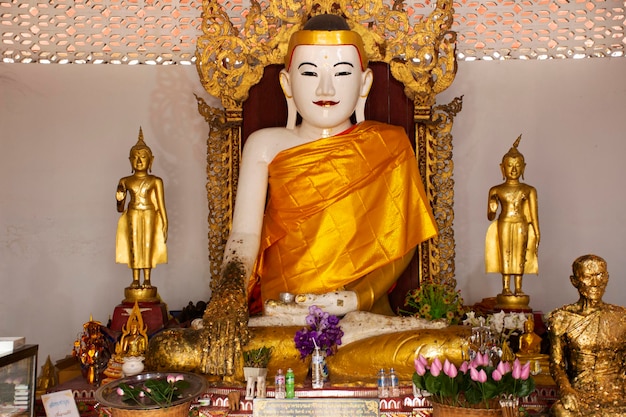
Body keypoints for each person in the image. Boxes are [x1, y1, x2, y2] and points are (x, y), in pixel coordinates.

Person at [147, 14, 441, 377]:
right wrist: (228, 297)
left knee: (441, 350)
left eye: (343, 73)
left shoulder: (390, 145)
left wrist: (353, 298)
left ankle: (340, 356)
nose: (326, 90)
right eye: (309, 73)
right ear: (286, 84)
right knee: (171, 351)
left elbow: (402, 242)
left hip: (362, 324)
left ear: (365, 84)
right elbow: (244, 236)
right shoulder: (265, 145)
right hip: (282, 318)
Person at [547, 255, 626, 417]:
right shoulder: (561, 318)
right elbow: (557, 365)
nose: (595, 283)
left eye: (600, 275)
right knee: (562, 412)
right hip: (580, 392)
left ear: (607, 278)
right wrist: (566, 390)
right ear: (574, 281)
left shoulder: (622, 316)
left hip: (618, 392)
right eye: (588, 277)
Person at [485, 135, 540, 297]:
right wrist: (492, 208)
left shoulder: (529, 189)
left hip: (522, 224)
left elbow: (534, 215)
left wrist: (537, 233)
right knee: (505, 254)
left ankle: (518, 288)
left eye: (518, 166)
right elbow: (489, 216)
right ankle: (506, 287)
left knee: (520, 255)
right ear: (502, 168)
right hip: (504, 223)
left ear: (524, 167)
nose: (514, 170)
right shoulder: (495, 190)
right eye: (510, 166)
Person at [116, 128, 168, 289]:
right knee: (134, 245)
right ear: (130, 160)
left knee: (147, 245)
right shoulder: (125, 181)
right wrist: (120, 199)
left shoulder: (155, 181)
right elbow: (119, 208)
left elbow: (161, 204)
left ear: (151, 160)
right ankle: (135, 279)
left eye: (143, 157)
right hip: (132, 213)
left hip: (149, 213)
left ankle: (147, 279)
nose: (139, 161)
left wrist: (165, 223)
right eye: (135, 157)